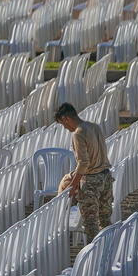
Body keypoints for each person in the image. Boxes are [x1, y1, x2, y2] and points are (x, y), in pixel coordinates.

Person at [54, 102, 114, 242]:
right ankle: (109, 249)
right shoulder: (94, 127)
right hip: (105, 176)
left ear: (65, 119)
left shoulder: (78, 133)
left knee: (91, 225)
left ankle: (94, 257)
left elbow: (83, 163)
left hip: (91, 181)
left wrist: (73, 185)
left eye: (63, 125)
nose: (65, 128)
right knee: (105, 221)